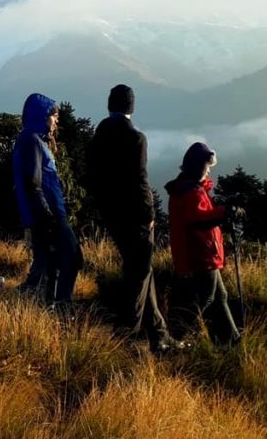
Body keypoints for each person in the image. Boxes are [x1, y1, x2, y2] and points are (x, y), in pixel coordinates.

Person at [87, 84, 180, 352]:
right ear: (132, 106)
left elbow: (93, 177)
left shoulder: (99, 137)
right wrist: (149, 214)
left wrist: (104, 207)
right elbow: (140, 180)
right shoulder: (135, 139)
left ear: (109, 104)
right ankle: (126, 337)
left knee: (142, 270)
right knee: (138, 273)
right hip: (135, 215)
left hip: (112, 214)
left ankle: (160, 336)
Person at [164, 142, 241, 346]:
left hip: (199, 253)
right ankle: (173, 338)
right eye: (207, 166)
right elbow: (199, 220)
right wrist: (225, 212)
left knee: (218, 296)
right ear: (200, 166)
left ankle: (230, 340)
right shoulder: (191, 191)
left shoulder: (186, 189)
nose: (209, 170)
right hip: (200, 254)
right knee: (204, 299)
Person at [12, 93, 82, 308]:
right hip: (49, 214)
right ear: (41, 116)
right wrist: (49, 217)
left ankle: (48, 305)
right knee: (72, 256)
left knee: (49, 262)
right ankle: (61, 305)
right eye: (54, 115)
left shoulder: (34, 139)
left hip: (43, 214)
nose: (56, 120)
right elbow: (34, 183)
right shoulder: (32, 141)